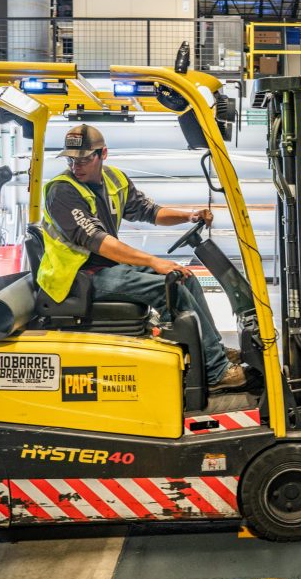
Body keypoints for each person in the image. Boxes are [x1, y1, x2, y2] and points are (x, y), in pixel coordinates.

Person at [37, 124, 246, 391]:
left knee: (185, 278)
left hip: (105, 268)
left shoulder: (114, 180)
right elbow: (97, 241)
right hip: (77, 278)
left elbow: (150, 212)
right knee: (169, 289)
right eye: (71, 159)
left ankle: (212, 351)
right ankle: (216, 371)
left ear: (103, 154)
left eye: (84, 159)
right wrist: (152, 261)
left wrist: (188, 215)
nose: (76, 165)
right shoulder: (62, 191)